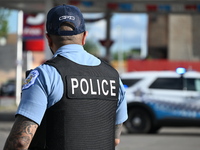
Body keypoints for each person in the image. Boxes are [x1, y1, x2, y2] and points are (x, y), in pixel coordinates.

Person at [3, 4, 128, 150]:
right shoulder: (113, 76)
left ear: (48, 39)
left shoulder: (45, 75)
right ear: (84, 37)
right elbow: (115, 139)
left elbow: (20, 142)